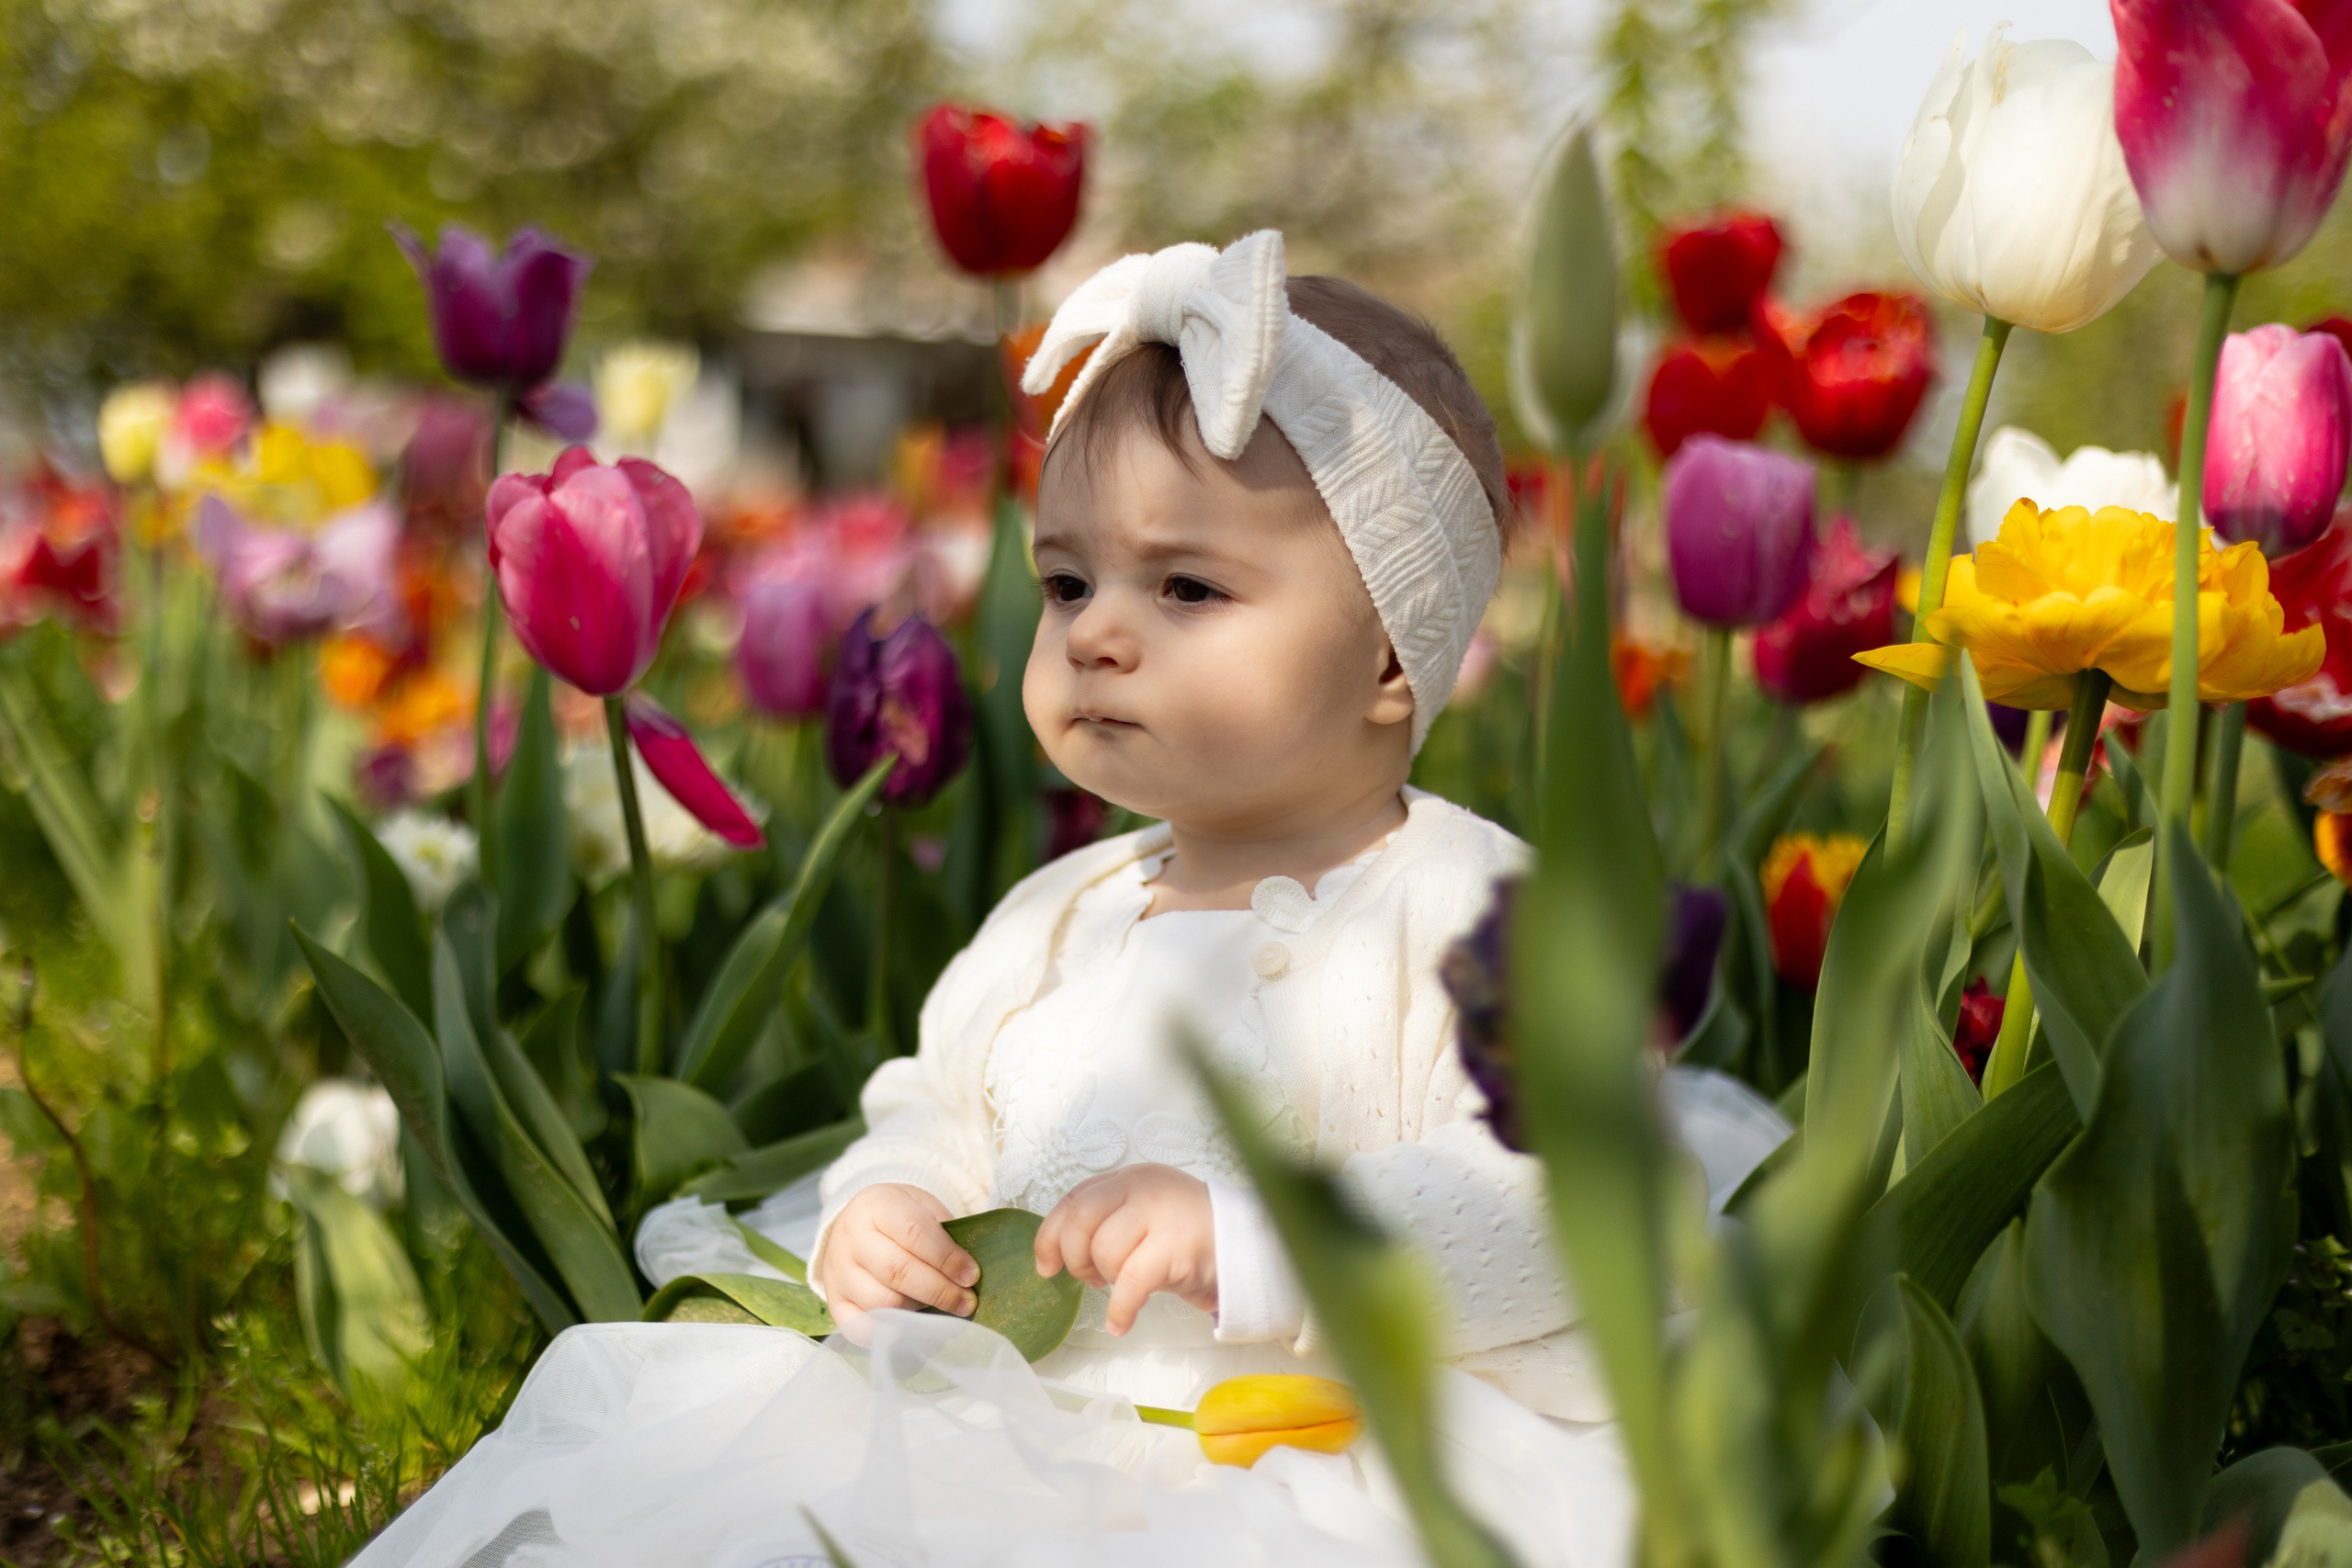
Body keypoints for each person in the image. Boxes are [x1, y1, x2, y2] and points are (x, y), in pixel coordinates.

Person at [354, 231, 1789, 1568]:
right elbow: (936, 1099)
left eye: (1185, 587)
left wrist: (1259, 1235)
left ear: (1393, 663)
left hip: (1326, 1438)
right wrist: (891, 1203)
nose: (1096, 632)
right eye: (1065, 580)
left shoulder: (1472, 910)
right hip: (1014, 1414)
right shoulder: (1063, 914)